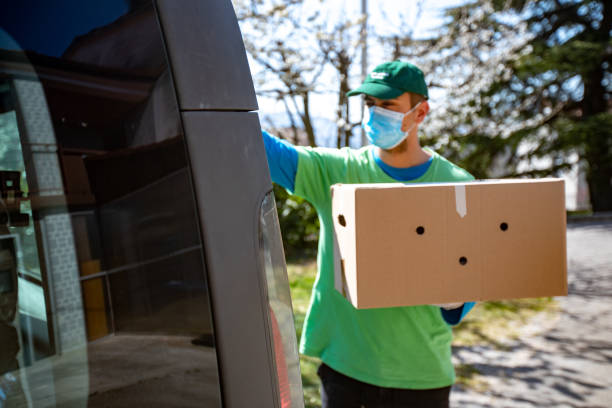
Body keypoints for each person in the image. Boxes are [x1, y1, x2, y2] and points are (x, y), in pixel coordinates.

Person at [263, 60, 476, 408]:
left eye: (388, 106)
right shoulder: (336, 171)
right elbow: (267, 151)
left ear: (420, 113)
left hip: (421, 374)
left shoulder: (456, 185)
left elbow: (475, 272)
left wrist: (459, 297)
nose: (376, 115)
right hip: (346, 370)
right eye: (370, 105)